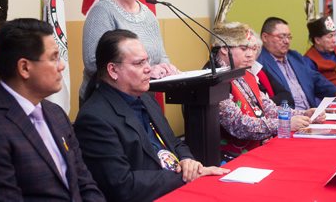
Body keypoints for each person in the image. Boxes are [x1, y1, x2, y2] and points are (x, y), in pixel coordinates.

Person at [0, 18, 105, 201]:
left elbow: (85, 184)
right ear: (24, 67)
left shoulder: (56, 114)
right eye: (54, 57)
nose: (62, 66)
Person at [74, 29, 227, 202]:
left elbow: (175, 142)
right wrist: (185, 176)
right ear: (113, 70)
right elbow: (122, 186)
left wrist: (188, 161)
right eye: (139, 63)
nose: (149, 69)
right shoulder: (94, 119)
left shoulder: (146, 98)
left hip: (176, 188)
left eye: (147, 61)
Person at [80, 0, 178, 105]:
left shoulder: (149, 16)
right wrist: (146, 71)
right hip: (107, 103)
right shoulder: (102, 11)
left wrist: (167, 68)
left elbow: (161, 56)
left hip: (143, 100)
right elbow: (93, 63)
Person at [210, 22, 324, 158]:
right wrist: (284, 124)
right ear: (224, 49)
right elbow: (238, 125)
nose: (250, 55)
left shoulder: (244, 73)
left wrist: (303, 113)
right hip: (231, 157)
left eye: (253, 49)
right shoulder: (214, 80)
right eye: (244, 48)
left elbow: (267, 108)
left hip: (257, 147)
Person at [257, 17, 336, 110]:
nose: (286, 41)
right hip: (288, 118)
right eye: (281, 37)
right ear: (265, 37)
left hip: (312, 113)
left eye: (289, 37)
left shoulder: (294, 56)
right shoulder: (259, 64)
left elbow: (315, 78)